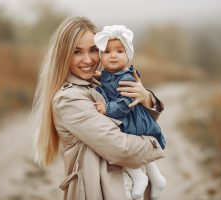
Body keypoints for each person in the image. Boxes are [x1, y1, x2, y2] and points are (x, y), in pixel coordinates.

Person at [32, 16, 165, 200]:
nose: (88, 59)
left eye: (93, 50)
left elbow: (134, 122)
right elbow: (122, 149)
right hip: (100, 192)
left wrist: (146, 98)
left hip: (125, 188)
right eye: (77, 51)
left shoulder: (98, 82)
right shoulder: (69, 99)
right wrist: (154, 143)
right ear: (63, 55)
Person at [93, 25, 166, 200]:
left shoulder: (126, 77)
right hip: (130, 117)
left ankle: (138, 176)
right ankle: (157, 178)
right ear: (101, 55)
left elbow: (126, 103)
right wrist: (97, 77)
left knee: (127, 143)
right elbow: (105, 83)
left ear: (128, 55)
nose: (113, 55)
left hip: (131, 119)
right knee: (135, 148)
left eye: (119, 51)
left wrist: (107, 109)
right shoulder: (107, 75)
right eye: (107, 51)